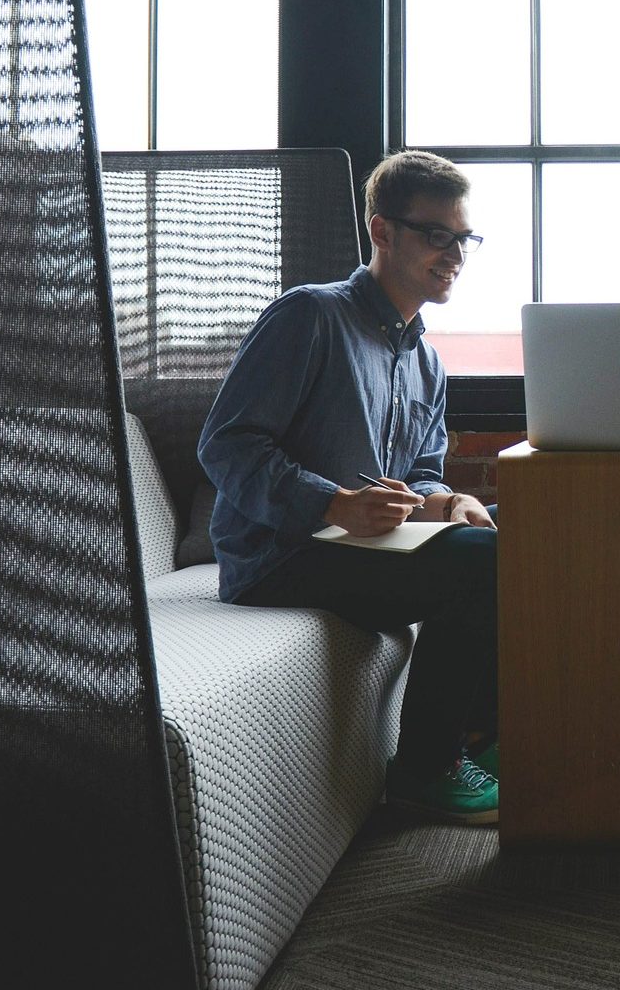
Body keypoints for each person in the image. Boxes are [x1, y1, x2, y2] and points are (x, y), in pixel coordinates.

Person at [197, 149, 502, 825]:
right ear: (383, 230)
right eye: (437, 235)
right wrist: (332, 504)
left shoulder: (425, 360)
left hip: (368, 549)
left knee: (518, 529)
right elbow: (226, 444)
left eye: (465, 239)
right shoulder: (309, 316)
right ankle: (426, 769)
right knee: (488, 562)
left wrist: (449, 501)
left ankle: (486, 732)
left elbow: (421, 470)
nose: (455, 254)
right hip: (282, 557)